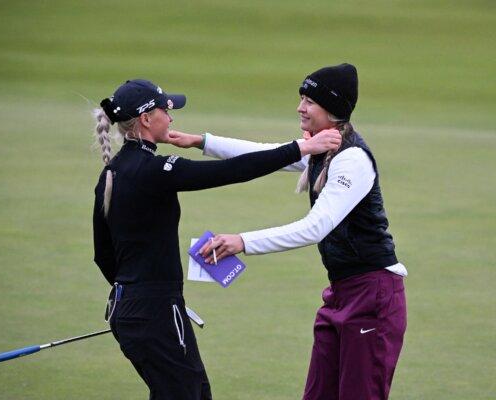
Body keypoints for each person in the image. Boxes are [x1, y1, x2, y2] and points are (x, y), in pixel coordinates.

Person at [91, 78, 342, 400]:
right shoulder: (153, 169)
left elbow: (103, 256)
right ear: (146, 119)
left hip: (130, 308)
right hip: (154, 310)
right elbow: (231, 172)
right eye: (166, 110)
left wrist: (137, 296)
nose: (171, 118)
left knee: (193, 392)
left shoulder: (113, 171)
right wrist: (301, 148)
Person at [168, 64, 407, 400]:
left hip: (373, 297)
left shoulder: (352, 159)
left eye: (310, 100)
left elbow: (316, 227)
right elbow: (267, 153)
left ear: (333, 109)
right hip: (342, 293)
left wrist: (242, 242)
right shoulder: (322, 149)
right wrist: (202, 142)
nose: (300, 107)